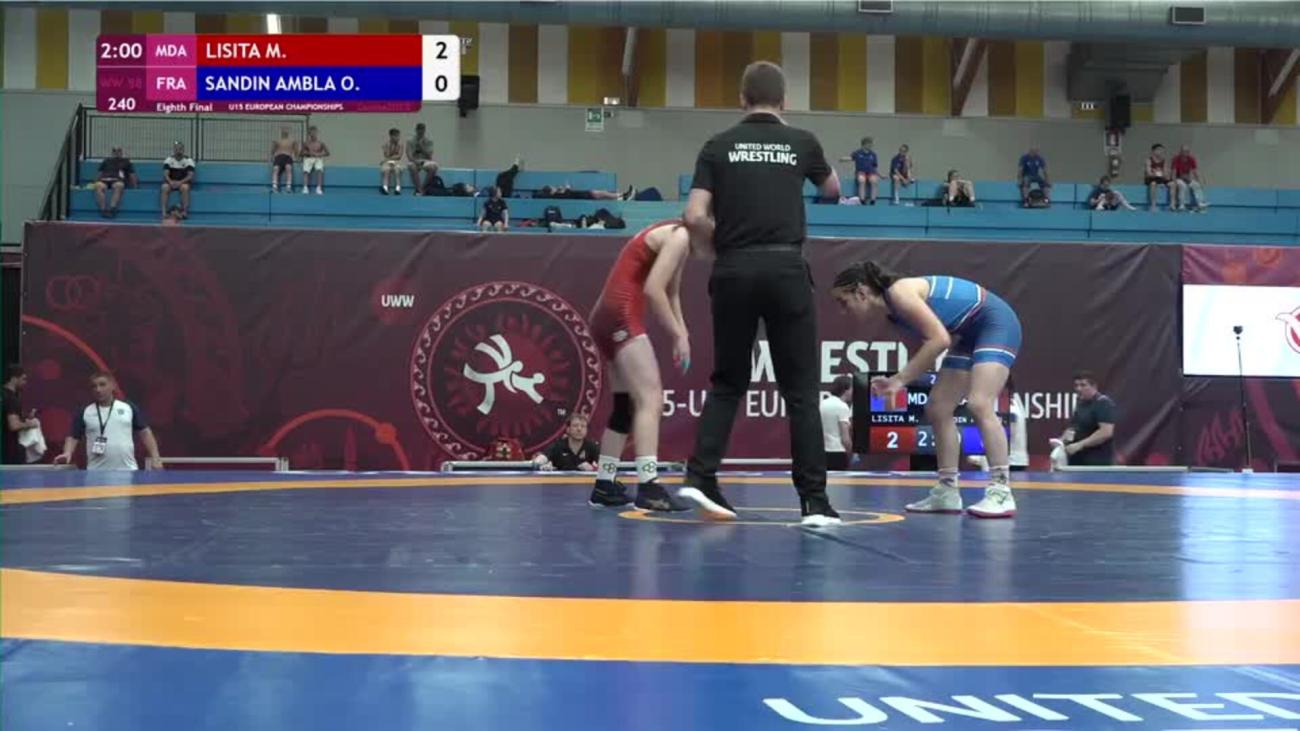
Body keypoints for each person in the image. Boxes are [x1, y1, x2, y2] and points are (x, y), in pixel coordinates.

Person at [676, 61, 843, 527]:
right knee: (801, 391)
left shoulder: (718, 144)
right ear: (784, 101)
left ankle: (701, 474)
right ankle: (814, 502)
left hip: (733, 268)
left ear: (741, 99)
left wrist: (720, 247)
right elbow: (832, 189)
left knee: (728, 381)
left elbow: (693, 215)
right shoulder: (802, 141)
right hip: (785, 267)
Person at [830, 261, 1022, 518]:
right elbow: (924, 353)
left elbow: (939, 340)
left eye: (843, 302)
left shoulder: (899, 292)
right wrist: (897, 383)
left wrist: (898, 380)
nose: (843, 311)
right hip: (969, 334)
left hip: (996, 323)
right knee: (938, 408)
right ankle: (947, 490)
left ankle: (1001, 490)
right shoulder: (893, 315)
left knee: (979, 403)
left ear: (861, 292)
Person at [587, 219, 705, 511]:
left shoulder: (677, 235)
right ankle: (649, 486)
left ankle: (604, 484)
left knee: (625, 406)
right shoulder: (680, 236)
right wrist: (676, 334)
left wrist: (683, 333)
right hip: (621, 314)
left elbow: (672, 292)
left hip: (605, 316)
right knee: (651, 399)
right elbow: (654, 289)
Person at [53, 371, 163, 470]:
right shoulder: (85, 411)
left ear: (113, 386)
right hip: (95, 472)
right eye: (94, 386)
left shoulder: (128, 407)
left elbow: (145, 432)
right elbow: (73, 436)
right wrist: (67, 453)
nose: (98, 389)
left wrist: (155, 457)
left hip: (127, 470)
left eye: (102, 384)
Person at [1052, 371, 1117, 467]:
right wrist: (1062, 440)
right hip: (1077, 460)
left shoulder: (1103, 403)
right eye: (1076, 385)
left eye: (1083, 385)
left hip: (1097, 462)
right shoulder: (1080, 403)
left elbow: (1106, 432)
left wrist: (1080, 445)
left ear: (1094, 386)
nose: (1078, 389)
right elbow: (1073, 428)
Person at [533, 413, 600, 471]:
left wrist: (592, 469)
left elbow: (603, 469)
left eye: (583, 426)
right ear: (568, 429)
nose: (579, 429)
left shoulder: (592, 447)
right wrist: (542, 465)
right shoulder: (557, 446)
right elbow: (539, 460)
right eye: (575, 426)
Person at [3, 365, 40, 465]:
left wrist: (25, 418)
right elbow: (14, 425)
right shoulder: (12, 399)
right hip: (10, 451)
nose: (25, 382)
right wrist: (31, 424)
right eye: (23, 379)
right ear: (14, 378)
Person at [820, 375, 854, 471]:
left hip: (822, 454)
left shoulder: (822, 404)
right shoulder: (842, 407)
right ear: (846, 390)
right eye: (852, 389)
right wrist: (851, 452)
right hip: (838, 454)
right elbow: (845, 438)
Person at [94, 147, 137, 217]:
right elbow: (100, 173)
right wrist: (95, 182)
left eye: (118, 151)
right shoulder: (106, 161)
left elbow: (132, 174)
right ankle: (103, 210)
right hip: (104, 180)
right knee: (98, 185)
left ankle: (112, 209)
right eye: (114, 151)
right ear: (112, 153)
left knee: (119, 185)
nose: (116, 153)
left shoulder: (126, 161)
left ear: (121, 152)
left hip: (117, 180)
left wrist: (135, 186)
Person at [160, 142, 195, 219]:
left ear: (183, 150)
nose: (178, 150)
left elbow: (190, 176)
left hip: (183, 182)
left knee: (185, 188)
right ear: (174, 150)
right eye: (176, 149)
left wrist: (180, 182)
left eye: (180, 149)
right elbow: (165, 174)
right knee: (164, 187)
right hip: (171, 182)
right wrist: (170, 182)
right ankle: (164, 212)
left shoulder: (189, 160)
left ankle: (184, 212)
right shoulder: (168, 160)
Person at [841, 137, 880, 205]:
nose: (870, 146)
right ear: (864, 144)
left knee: (874, 181)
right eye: (869, 144)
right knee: (862, 180)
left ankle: (873, 200)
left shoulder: (873, 154)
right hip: (860, 172)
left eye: (871, 144)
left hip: (871, 172)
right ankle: (862, 200)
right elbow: (851, 158)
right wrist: (843, 159)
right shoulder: (857, 152)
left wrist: (880, 175)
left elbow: (874, 167)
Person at [1171, 144, 1209, 212]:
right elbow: (1174, 172)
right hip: (1177, 178)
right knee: (1183, 185)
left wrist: (1199, 181)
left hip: (1187, 178)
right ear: (1180, 151)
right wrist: (1174, 182)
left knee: (1196, 185)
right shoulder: (1176, 159)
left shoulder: (1191, 159)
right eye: (1184, 151)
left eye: (1187, 151)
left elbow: (1195, 171)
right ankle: (1181, 205)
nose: (1186, 153)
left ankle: (1200, 203)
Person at [407, 123, 439, 194]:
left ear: (424, 131)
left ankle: (422, 187)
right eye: (419, 130)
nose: (420, 132)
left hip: (425, 161)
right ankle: (419, 189)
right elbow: (409, 156)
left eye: (422, 130)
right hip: (414, 160)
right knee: (412, 167)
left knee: (433, 168)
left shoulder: (429, 141)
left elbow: (430, 157)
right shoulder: (410, 141)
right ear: (416, 130)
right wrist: (415, 161)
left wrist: (421, 147)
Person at [301, 126, 330, 194]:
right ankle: (305, 187)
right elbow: (301, 153)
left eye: (314, 132)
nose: (313, 134)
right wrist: (308, 153)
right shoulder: (306, 143)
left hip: (318, 158)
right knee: (305, 170)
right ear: (309, 134)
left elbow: (327, 153)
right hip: (309, 158)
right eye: (311, 132)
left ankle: (319, 188)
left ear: (316, 133)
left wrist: (319, 154)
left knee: (319, 169)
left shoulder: (321, 143)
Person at [270, 126, 299, 193]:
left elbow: (296, 150)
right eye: (283, 130)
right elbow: (273, 150)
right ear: (281, 132)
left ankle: (288, 187)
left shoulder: (292, 141)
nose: (285, 131)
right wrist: (271, 157)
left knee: (288, 168)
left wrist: (297, 157)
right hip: (278, 157)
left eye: (286, 130)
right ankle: (274, 186)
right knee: (275, 169)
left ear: (288, 132)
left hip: (288, 157)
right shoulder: (277, 141)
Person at [1144, 144, 1172, 211]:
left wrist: (1159, 173)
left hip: (1160, 178)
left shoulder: (1164, 161)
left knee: (1172, 184)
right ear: (1154, 151)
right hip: (1151, 179)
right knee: (1153, 184)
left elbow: (1165, 174)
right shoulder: (1149, 160)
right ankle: (1153, 205)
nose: (1161, 152)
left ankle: (1172, 205)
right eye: (1159, 150)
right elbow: (1149, 173)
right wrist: (1157, 173)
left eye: (1162, 151)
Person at [380, 128, 404, 195]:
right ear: (391, 136)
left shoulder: (401, 145)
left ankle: (398, 188)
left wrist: (387, 159)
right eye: (396, 136)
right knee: (386, 169)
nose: (398, 138)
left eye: (398, 136)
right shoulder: (386, 144)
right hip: (388, 162)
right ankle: (385, 188)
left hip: (396, 162)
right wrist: (390, 146)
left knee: (397, 170)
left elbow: (399, 156)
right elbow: (387, 155)